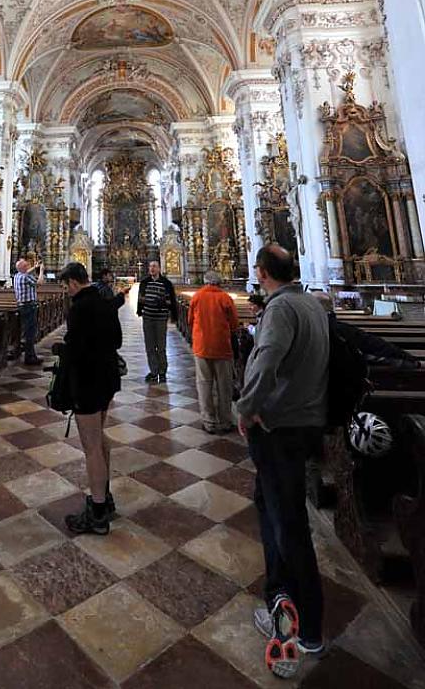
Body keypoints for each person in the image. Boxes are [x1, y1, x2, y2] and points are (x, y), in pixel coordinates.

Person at [237, 245, 329, 667]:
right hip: (306, 420)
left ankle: (308, 628)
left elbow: (267, 359)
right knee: (272, 507)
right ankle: (280, 599)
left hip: (280, 427)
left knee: (289, 524)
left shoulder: (279, 310)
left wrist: (245, 406)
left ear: (262, 272)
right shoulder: (311, 303)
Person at [59, 262, 121, 535]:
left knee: (91, 446)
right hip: (107, 380)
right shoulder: (106, 300)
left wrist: (63, 348)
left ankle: (97, 513)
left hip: (87, 382)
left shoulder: (80, 308)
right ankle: (104, 498)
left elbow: (76, 351)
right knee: (101, 438)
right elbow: (117, 340)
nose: (66, 291)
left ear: (73, 282)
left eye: (65, 286)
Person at [188, 270, 239, 433]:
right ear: (219, 282)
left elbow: (190, 320)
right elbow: (234, 324)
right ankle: (225, 421)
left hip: (202, 346)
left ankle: (208, 421)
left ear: (205, 281)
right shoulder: (225, 298)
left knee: (204, 384)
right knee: (224, 386)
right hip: (222, 347)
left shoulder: (197, 296)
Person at [137, 260, 178, 383]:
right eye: (150, 267)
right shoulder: (144, 282)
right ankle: (154, 372)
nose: (152, 269)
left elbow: (172, 301)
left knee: (161, 346)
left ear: (159, 268)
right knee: (150, 346)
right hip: (148, 317)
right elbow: (140, 298)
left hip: (160, 318)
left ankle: (162, 372)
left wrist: (164, 304)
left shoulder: (166, 283)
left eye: (154, 266)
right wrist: (140, 309)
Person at [11, 258, 44, 366]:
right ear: (23, 268)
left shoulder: (17, 276)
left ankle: (30, 355)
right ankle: (29, 357)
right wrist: (41, 271)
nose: (28, 267)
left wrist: (35, 267)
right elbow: (39, 283)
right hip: (29, 306)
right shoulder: (25, 277)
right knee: (30, 332)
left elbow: (25, 272)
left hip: (22, 306)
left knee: (27, 331)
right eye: (26, 266)